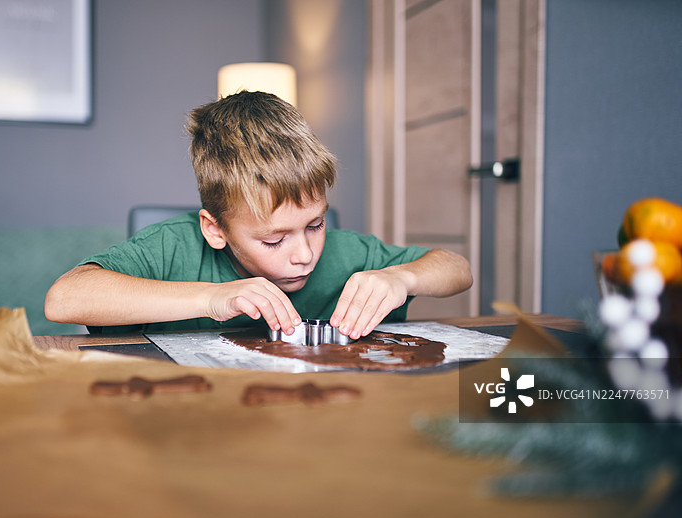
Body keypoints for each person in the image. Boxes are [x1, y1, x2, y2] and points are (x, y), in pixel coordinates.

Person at [45, 91, 472, 339]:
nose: (304, 253)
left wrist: (402, 278)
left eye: (316, 224)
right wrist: (212, 298)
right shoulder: (171, 246)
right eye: (273, 240)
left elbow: (456, 269)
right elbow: (64, 299)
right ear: (215, 230)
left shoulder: (348, 255)